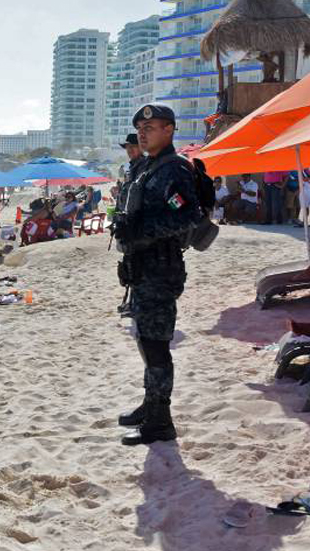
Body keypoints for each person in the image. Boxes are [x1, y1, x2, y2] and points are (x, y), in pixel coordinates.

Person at [113, 104, 202, 446]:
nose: (142, 133)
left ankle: (160, 420)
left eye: (150, 127)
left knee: (156, 344)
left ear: (169, 130)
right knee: (145, 339)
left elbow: (187, 215)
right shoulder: (146, 167)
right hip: (142, 268)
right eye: (140, 128)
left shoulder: (173, 169)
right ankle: (150, 404)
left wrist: (142, 230)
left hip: (160, 269)